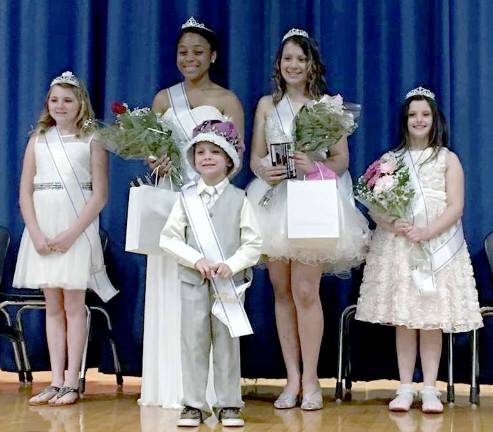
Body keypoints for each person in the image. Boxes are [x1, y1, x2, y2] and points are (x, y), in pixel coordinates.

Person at [248, 28, 369, 410]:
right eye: (287, 58)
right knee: (281, 292)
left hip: (313, 201)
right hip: (274, 202)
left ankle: (314, 380)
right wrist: (264, 170)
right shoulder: (267, 105)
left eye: (300, 59)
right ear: (278, 64)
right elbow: (255, 156)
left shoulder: (326, 107)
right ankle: (292, 379)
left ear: (312, 64)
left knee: (305, 291)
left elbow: (341, 161)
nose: (293, 65)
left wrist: (312, 162)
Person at [355, 86, 483, 413]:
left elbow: (456, 207)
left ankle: (429, 387)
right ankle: (404, 386)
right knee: (405, 318)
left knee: (430, 319)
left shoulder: (447, 159)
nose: (419, 119)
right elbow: (374, 206)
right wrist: (390, 222)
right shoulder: (390, 160)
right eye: (413, 114)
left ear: (435, 118)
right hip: (399, 248)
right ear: (404, 120)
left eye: (425, 114)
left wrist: (427, 231)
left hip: (437, 246)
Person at [139, 17, 244, 408]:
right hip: (173, 200)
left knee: (209, 295)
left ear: (213, 56)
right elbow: (154, 149)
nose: (190, 58)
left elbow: (238, 157)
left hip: (212, 206)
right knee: (174, 288)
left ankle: (217, 394)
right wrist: (157, 162)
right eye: (183, 52)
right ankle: (172, 388)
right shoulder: (164, 99)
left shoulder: (227, 100)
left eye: (198, 51)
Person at [13, 71, 114, 406]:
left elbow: (99, 195)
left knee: (74, 306)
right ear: (47, 103)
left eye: (68, 100)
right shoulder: (38, 139)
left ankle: (73, 381)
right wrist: (37, 233)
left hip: (76, 229)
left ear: (80, 103)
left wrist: (72, 234)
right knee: (51, 307)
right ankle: (55, 380)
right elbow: (25, 192)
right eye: (54, 100)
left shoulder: (92, 140)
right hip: (42, 228)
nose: (60, 106)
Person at [160, 118, 262, 427]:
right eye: (200, 151)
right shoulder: (186, 199)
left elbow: (254, 243)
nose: (206, 157)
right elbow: (169, 238)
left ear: (229, 159)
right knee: (193, 341)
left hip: (229, 284)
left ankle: (229, 404)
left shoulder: (241, 199)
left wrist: (231, 264)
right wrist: (195, 260)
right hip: (193, 282)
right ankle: (193, 405)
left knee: (227, 344)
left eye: (214, 152)